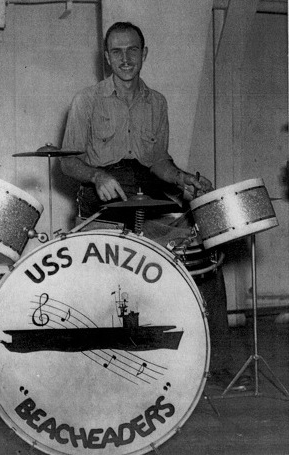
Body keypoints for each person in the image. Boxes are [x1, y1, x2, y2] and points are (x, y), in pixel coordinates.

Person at [60, 21, 252, 392]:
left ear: (144, 54)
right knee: (104, 281)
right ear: (106, 58)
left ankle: (219, 364)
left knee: (204, 259)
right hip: (102, 201)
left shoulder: (158, 102)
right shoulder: (87, 100)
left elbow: (159, 162)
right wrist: (98, 176)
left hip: (149, 194)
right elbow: (67, 162)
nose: (125, 59)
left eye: (133, 50)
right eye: (117, 51)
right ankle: (103, 373)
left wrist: (183, 178)